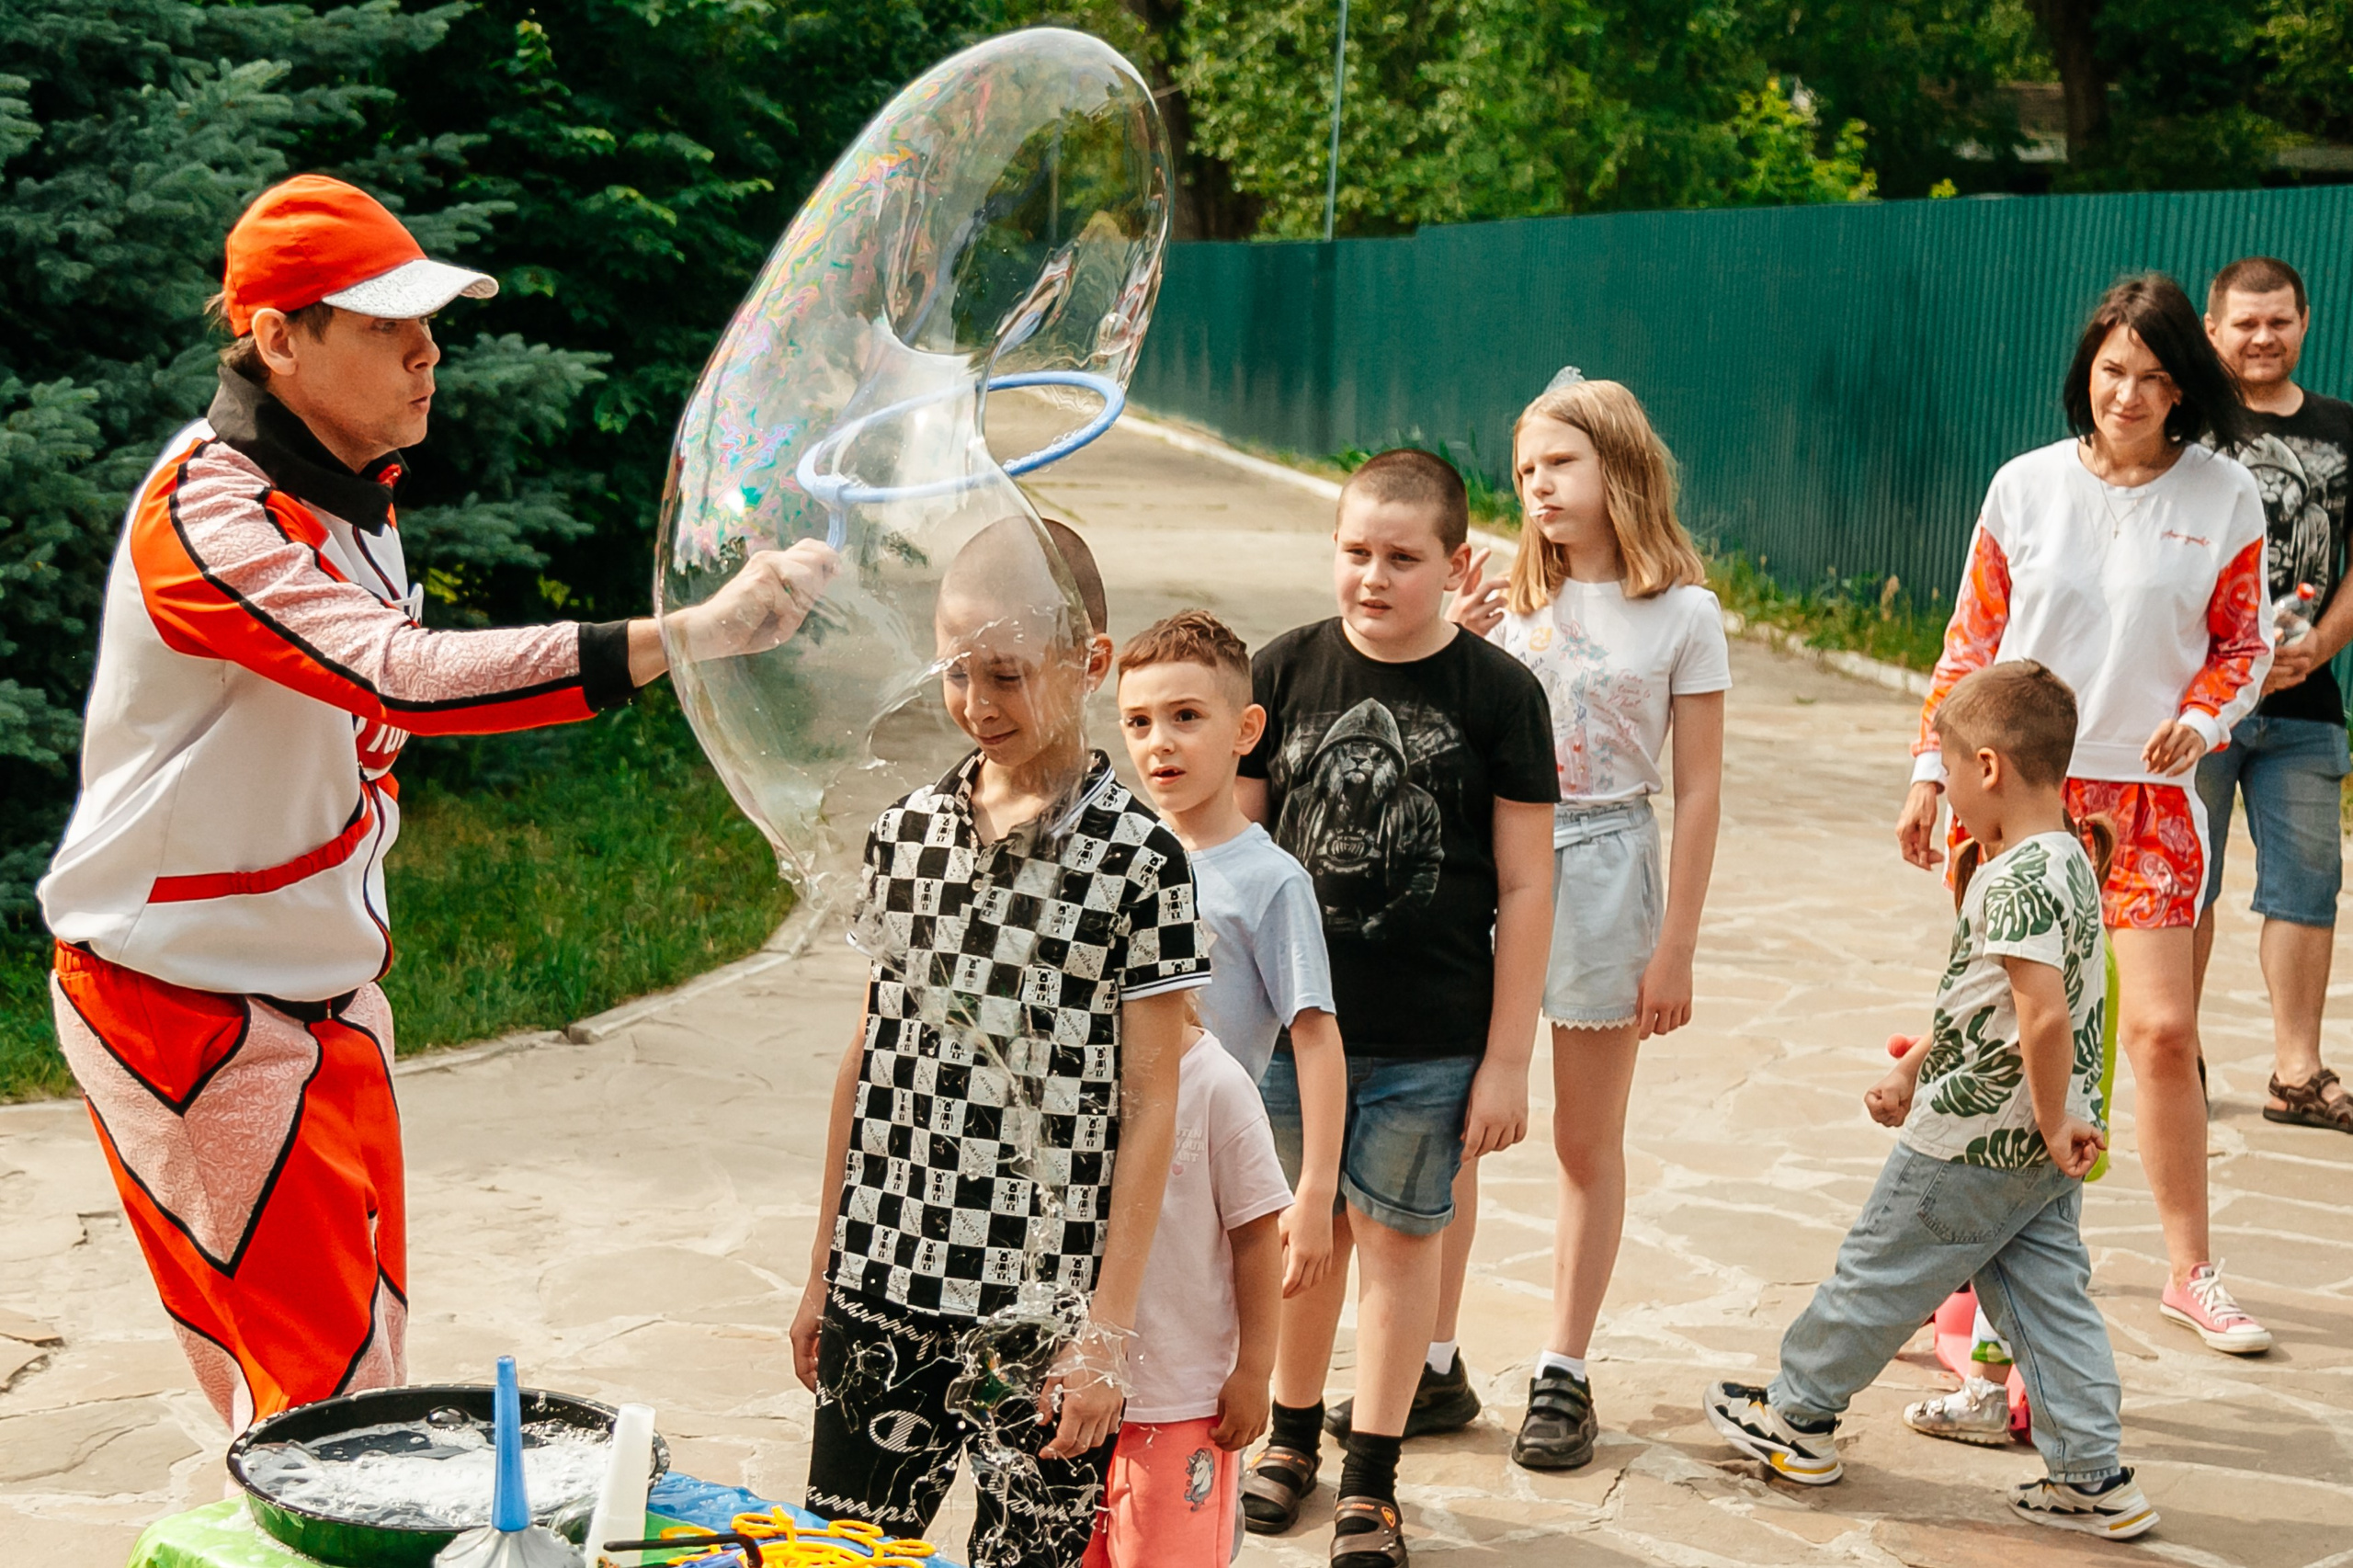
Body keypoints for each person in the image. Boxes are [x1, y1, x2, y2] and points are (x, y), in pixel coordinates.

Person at [37, 175, 832, 1429]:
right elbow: (399, 680)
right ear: (278, 338)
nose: (428, 351)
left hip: (319, 992)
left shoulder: (355, 491)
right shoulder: (207, 513)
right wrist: (692, 632)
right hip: (185, 1003)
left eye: (430, 319)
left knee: (349, 1385)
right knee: (324, 1413)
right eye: (384, 324)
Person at [787, 517, 1202, 1568]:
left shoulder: (1139, 859)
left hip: (1039, 1309)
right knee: (841, 1557)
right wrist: (823, 1271)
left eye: (1008, 675)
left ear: (1089, 661)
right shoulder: (906, 835)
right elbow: (867, 1057)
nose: (977, 704)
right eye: (956, 673)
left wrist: (1103, 1335)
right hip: (883, 1280)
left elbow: (1153, 1104)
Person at [1895, 273, 2274, 1357]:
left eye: (2154, 378)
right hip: (2016, 797)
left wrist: (2201, 725)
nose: (2129, 394)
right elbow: (1971, 641)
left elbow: (2243, 646)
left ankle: (2189, 1269)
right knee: (2001, 1033)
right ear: (2086, 372)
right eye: (2113, 372)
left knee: (2158, 1032)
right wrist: (1931, 768)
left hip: (2151, 800)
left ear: (2182, 387)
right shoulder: (2023, 486)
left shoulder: (2222, 498)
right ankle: (1954, 1274)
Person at [1707, 661, 2158, 1542]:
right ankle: (2092, 1474)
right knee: (2048, 1304)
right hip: (2032, 1150)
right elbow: (1990, 1004)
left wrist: (2051, 1109)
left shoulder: (2016, 879)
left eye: (1946, 770)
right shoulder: (2068, 857)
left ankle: (1798, 1417)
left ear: (1988, 767)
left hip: (1972, 1142)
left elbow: (2042, 1015)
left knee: (1879, 1267)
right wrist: (1919, 1068)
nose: (1944, 790)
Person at [1233, 450, 1557, 1568]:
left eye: (1402, 557)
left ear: (1456, 561)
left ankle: (1370, 1476)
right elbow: (1227, 861)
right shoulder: (1277, 673)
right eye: (1355, 551)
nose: (1373, 576)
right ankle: (1286, 1440)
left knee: (1398, 1245)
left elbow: (1524, 883)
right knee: (1297, 1236)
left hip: (1432, 1035)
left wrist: (1508, 1057)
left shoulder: (1500, 695)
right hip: (1287, 1032)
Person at [1452, 375, 1727, 1471]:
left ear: (1618, 465)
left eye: (1556, 464)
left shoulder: (1684, 612)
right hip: (1493, 866)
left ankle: (1562, 1369)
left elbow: (1699, 788)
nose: (1535, 487)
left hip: (1611, 864)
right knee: (1452, 1125)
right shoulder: (1500, 599)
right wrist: (1453, 639)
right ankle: (1428, 1357)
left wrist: (1678, 945)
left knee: (1581, 1138)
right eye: (1523, 470)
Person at [1114, 609, 1347, 1300]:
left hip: (1206, 1159)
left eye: (1186, 716)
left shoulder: (1272, 882)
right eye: (1138, 723)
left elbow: (1316, 1034)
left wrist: (1315, 1190)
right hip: (1111, 1149)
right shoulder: (1120, 859)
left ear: (1246, 729)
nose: (1160, 743)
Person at [2193, 256, 2353, 1134]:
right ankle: (2179, 1048)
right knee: (2190, 883)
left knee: (2306, 887)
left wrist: (2323, 641)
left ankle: (2298, 1073)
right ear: (2213, 330)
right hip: (2195, 708)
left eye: (2279, 321)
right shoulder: (2181, 425)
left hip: (2303, 703)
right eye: (2244, 323)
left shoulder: (2344, 429)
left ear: (2303, 323)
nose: (2263, 337)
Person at [1079, 1013, 1291, 1568]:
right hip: (1080, 1396)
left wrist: (1254, 1369)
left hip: (1182, 1402)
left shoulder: (1218, 1085)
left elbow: (1257, 1238)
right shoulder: (1077, 1075)